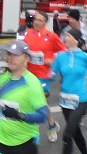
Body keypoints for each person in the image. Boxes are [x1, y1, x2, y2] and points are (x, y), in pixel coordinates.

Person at [22, 10, 65, 142]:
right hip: (28, 72)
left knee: (38, 100)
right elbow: (22, 48)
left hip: (44, 75)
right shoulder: (27, 33)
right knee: (37, 102)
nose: (36, 22)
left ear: (45, 22)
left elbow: (63, 52)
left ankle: (35, 131)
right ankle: (51, 125)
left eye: (40, 20)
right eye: (35, 19)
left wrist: (52, 61)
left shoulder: (51, 36)